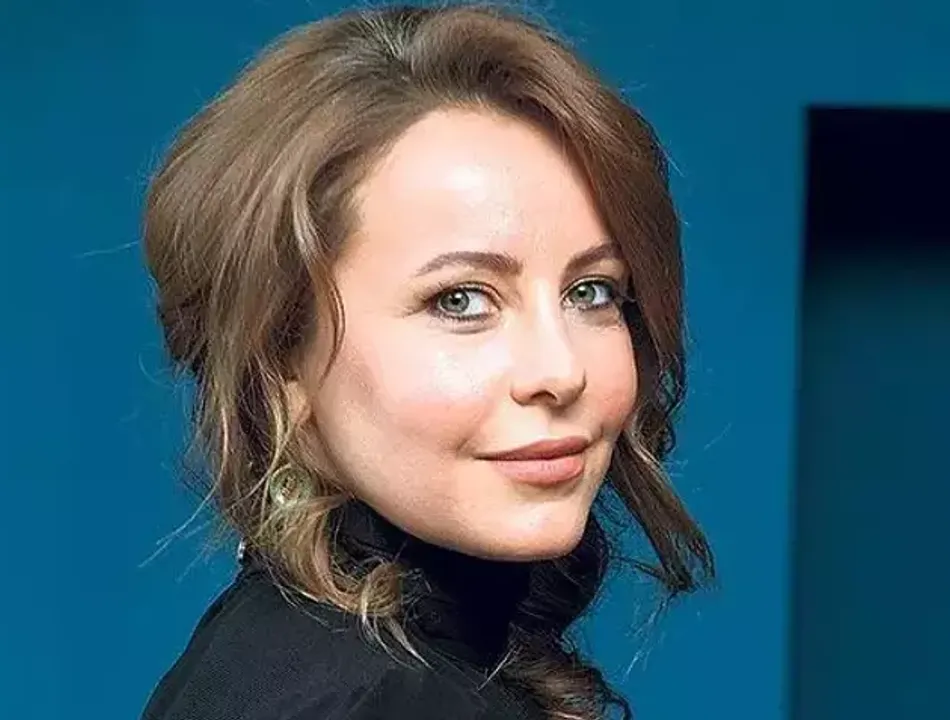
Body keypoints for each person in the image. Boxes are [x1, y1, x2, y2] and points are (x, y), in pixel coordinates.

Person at [138, 4, 714, 719]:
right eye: (460, 300)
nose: (561, 370)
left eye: (591, 291)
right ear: (280, 354)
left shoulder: (311, 656)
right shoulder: (369, 698)